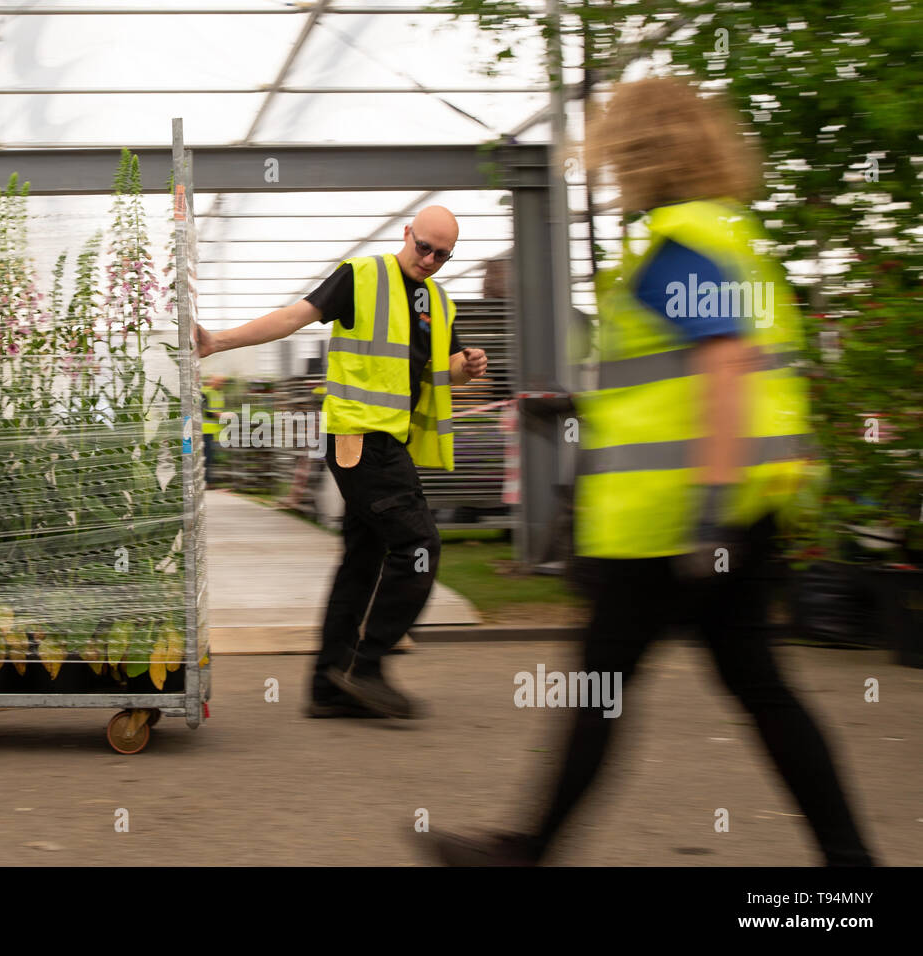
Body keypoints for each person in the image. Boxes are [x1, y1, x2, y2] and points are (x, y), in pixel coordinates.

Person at [428, 77, 875, 866]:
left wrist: (707, 518)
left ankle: (525, 851)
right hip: (730, 511)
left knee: (605, 689)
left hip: (681, 523)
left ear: (638, 151)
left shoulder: (678, 244)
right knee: (751, 688)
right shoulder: (725, 234)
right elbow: (681, 383)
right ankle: (849, 865)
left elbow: (727, 366)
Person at [196, 206, 487, 718]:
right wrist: (218, 341)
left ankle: (329, 688)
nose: (431, 259)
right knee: (419, 545)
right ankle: (365, 667)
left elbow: (444, 373)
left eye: (443, 254)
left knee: (363, 561)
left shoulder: (439, 302)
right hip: (357, 439)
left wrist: (467, 366)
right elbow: (293, 317)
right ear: (407, 234)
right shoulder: (362, 277)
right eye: (424, 247)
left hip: (391, 444)